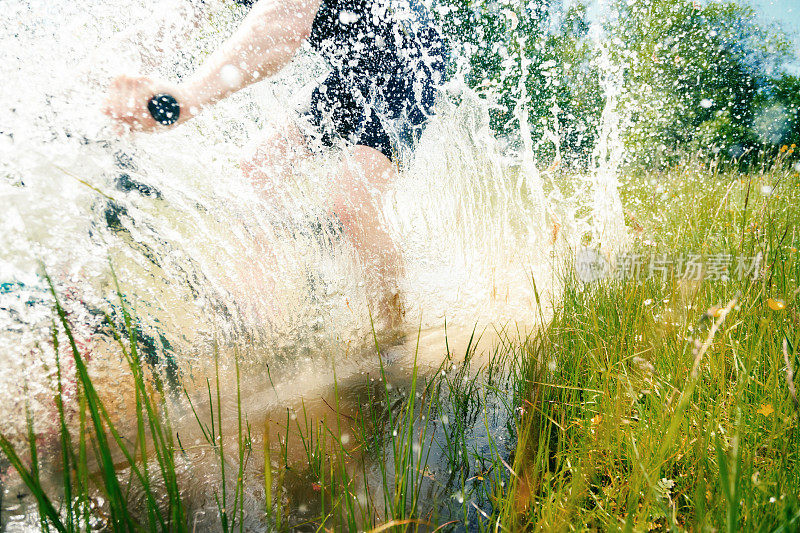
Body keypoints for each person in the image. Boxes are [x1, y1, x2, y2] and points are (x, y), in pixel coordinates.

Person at [103, 0, 448, 330]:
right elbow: (171, 21)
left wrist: (188, 98)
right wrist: (111, 81)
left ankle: (394, 335)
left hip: (410, 64)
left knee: (350, 202)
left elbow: (281, 27)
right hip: (353, 74)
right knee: (257, 168)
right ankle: (268, 320)